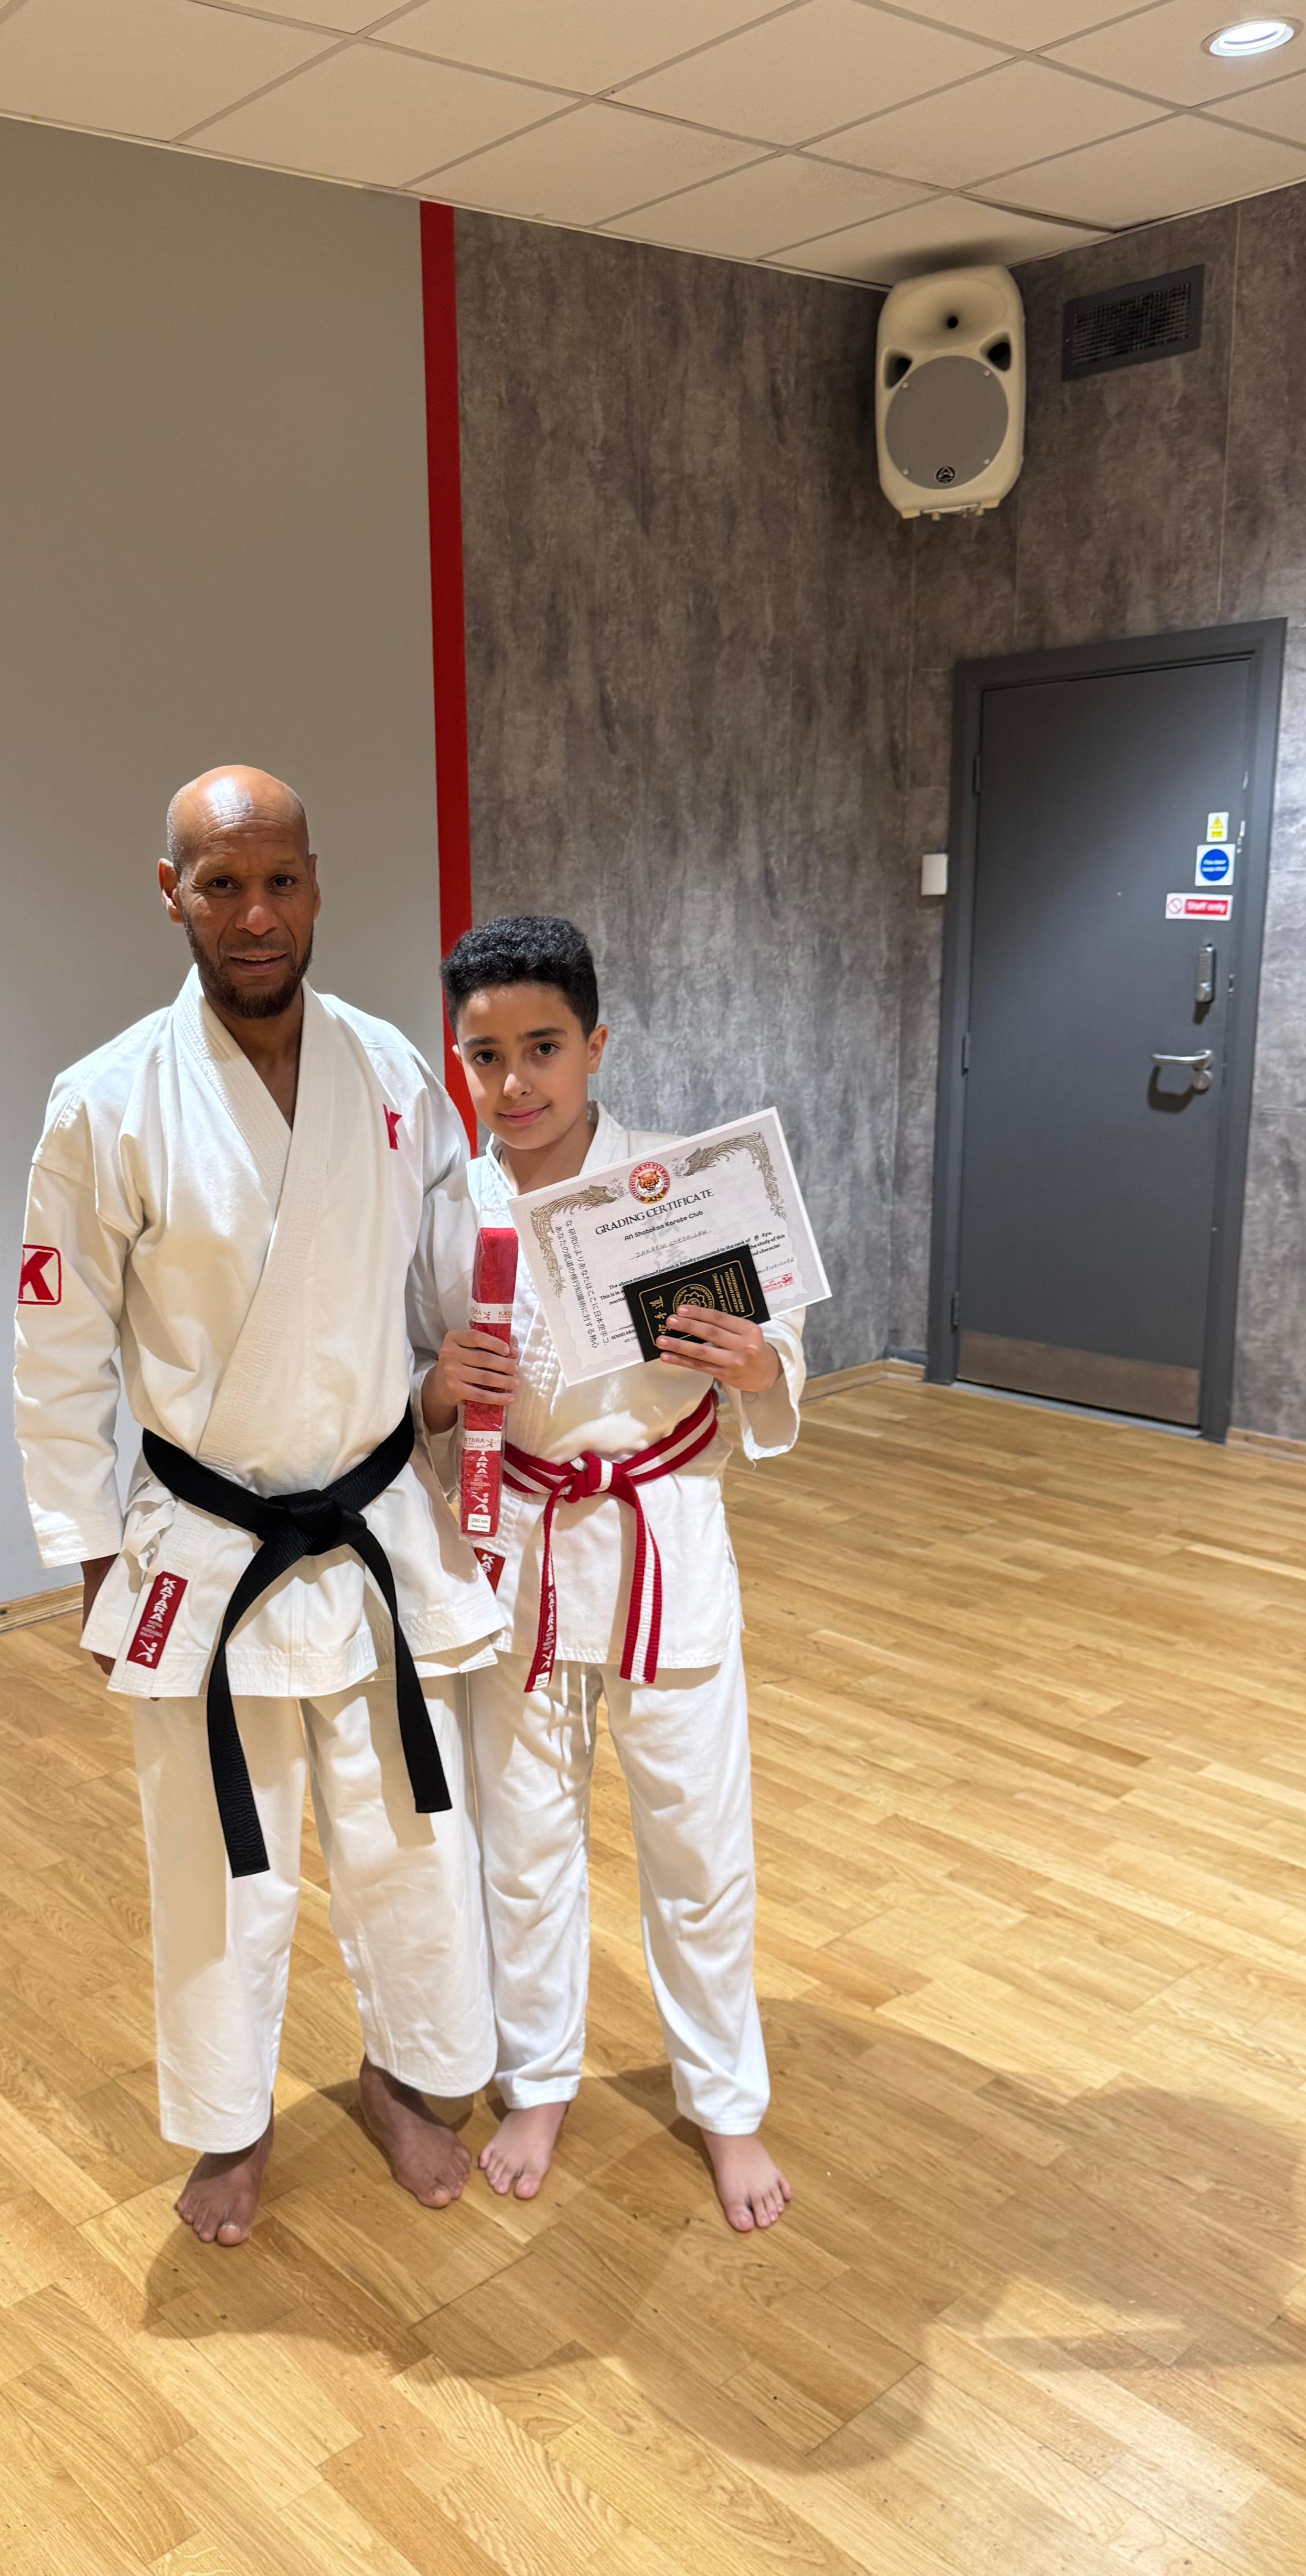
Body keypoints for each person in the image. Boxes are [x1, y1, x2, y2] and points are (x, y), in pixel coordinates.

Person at [15, 767, 505, 2247]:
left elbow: (437, 1301)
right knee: (220, 1861)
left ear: (316, 884)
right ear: (167, 891)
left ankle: (410, 2076)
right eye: (219, 884)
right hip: (205, 1544)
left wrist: (456, 1401)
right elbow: (55, 1345)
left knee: (412, 1832)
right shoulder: (102, 1103)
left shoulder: (394, 1076)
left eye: (278, 880)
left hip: (371, 1530)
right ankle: (228, 2130)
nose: (253, 913)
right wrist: (90, 1559)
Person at [422, 916, 807, 2233]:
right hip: (517, 1553)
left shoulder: (685, 1185)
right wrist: (434, 1393)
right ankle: (539, 2078)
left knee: (697, 1841)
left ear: (598, 1045)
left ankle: (726, 2101)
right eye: (486, 1055)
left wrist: (762, 1364)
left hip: (663, 1533)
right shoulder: (448, 1210)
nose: (515, 1081)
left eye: (542, 1047)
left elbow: (780, 1344)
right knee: (523, 1842)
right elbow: (412, 1396)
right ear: (458, 1061)